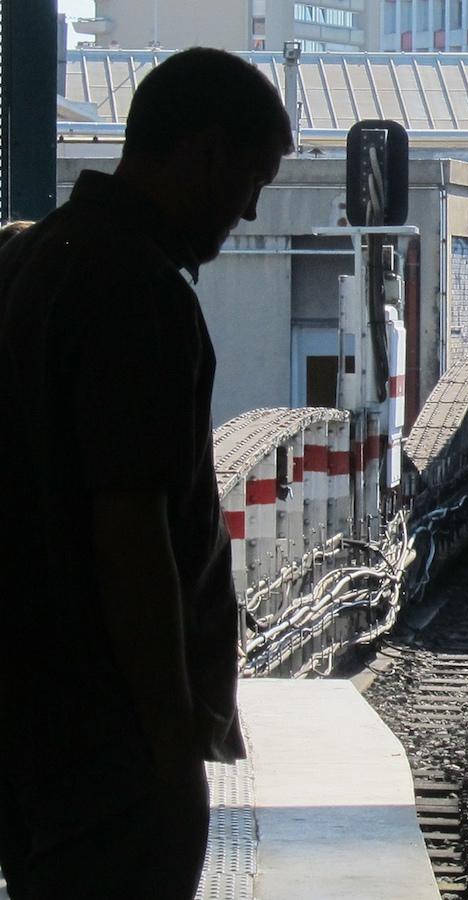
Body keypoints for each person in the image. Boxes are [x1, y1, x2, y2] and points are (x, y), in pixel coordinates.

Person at [0, 48, 290, 900]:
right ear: (204, 152)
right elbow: (131, 532)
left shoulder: (28, 260)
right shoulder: (138, 291)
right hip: (108, 740)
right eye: (252, 181)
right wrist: (170, 751)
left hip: (27, 723)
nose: (249, 209)